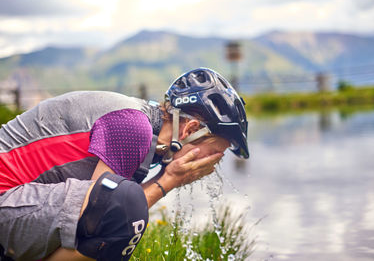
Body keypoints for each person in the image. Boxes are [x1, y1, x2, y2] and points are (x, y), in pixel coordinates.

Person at [0, 68, 249, 261]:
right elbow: (102, 215)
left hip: (17, 204)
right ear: (191, 129)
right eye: (215, 151)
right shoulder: (134, 127)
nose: (213, 163)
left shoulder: (148, 132)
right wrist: (170, 179)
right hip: (5, 198)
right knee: (123, 205)